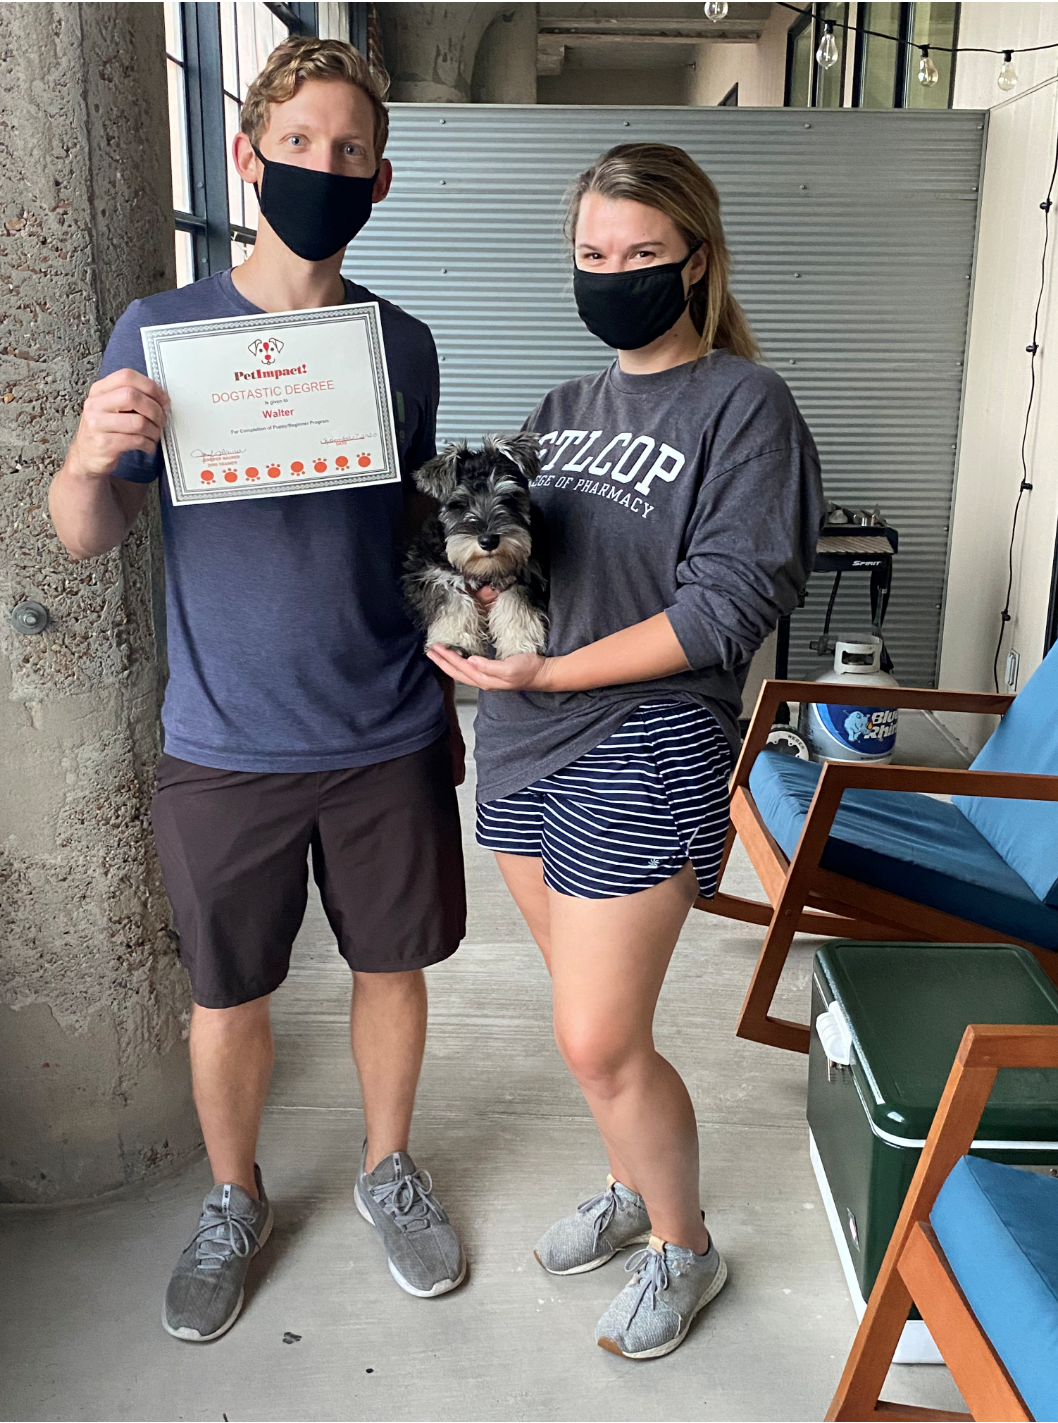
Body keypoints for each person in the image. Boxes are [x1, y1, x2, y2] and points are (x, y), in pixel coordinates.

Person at [50, 37, 467, 1342]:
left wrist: (473, 612)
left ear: (380, 180)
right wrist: (86, 452)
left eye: (349, 153)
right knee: (228, 989)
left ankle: (386, 1166)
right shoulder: (161, 333)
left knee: (390, 964)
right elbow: (85, 532)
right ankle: (233, 1195)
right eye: (299, 146)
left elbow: (409, 533)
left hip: (386, 723)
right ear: (247, 157)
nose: (322, 170)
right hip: (224, 735)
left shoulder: (401, 347)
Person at [430, 143, 824, 1361]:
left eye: (640, 256)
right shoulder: (560, 411)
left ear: (696, 262)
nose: (611, 276)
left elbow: (720, 610)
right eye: (591, 256)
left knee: (598, 1037)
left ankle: (683, 1244)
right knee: (588, 1024)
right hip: (520, 742)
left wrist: (549, 669)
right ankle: (630, 1182)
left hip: (640, 742)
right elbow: (503, 551)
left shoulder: (742, 407)